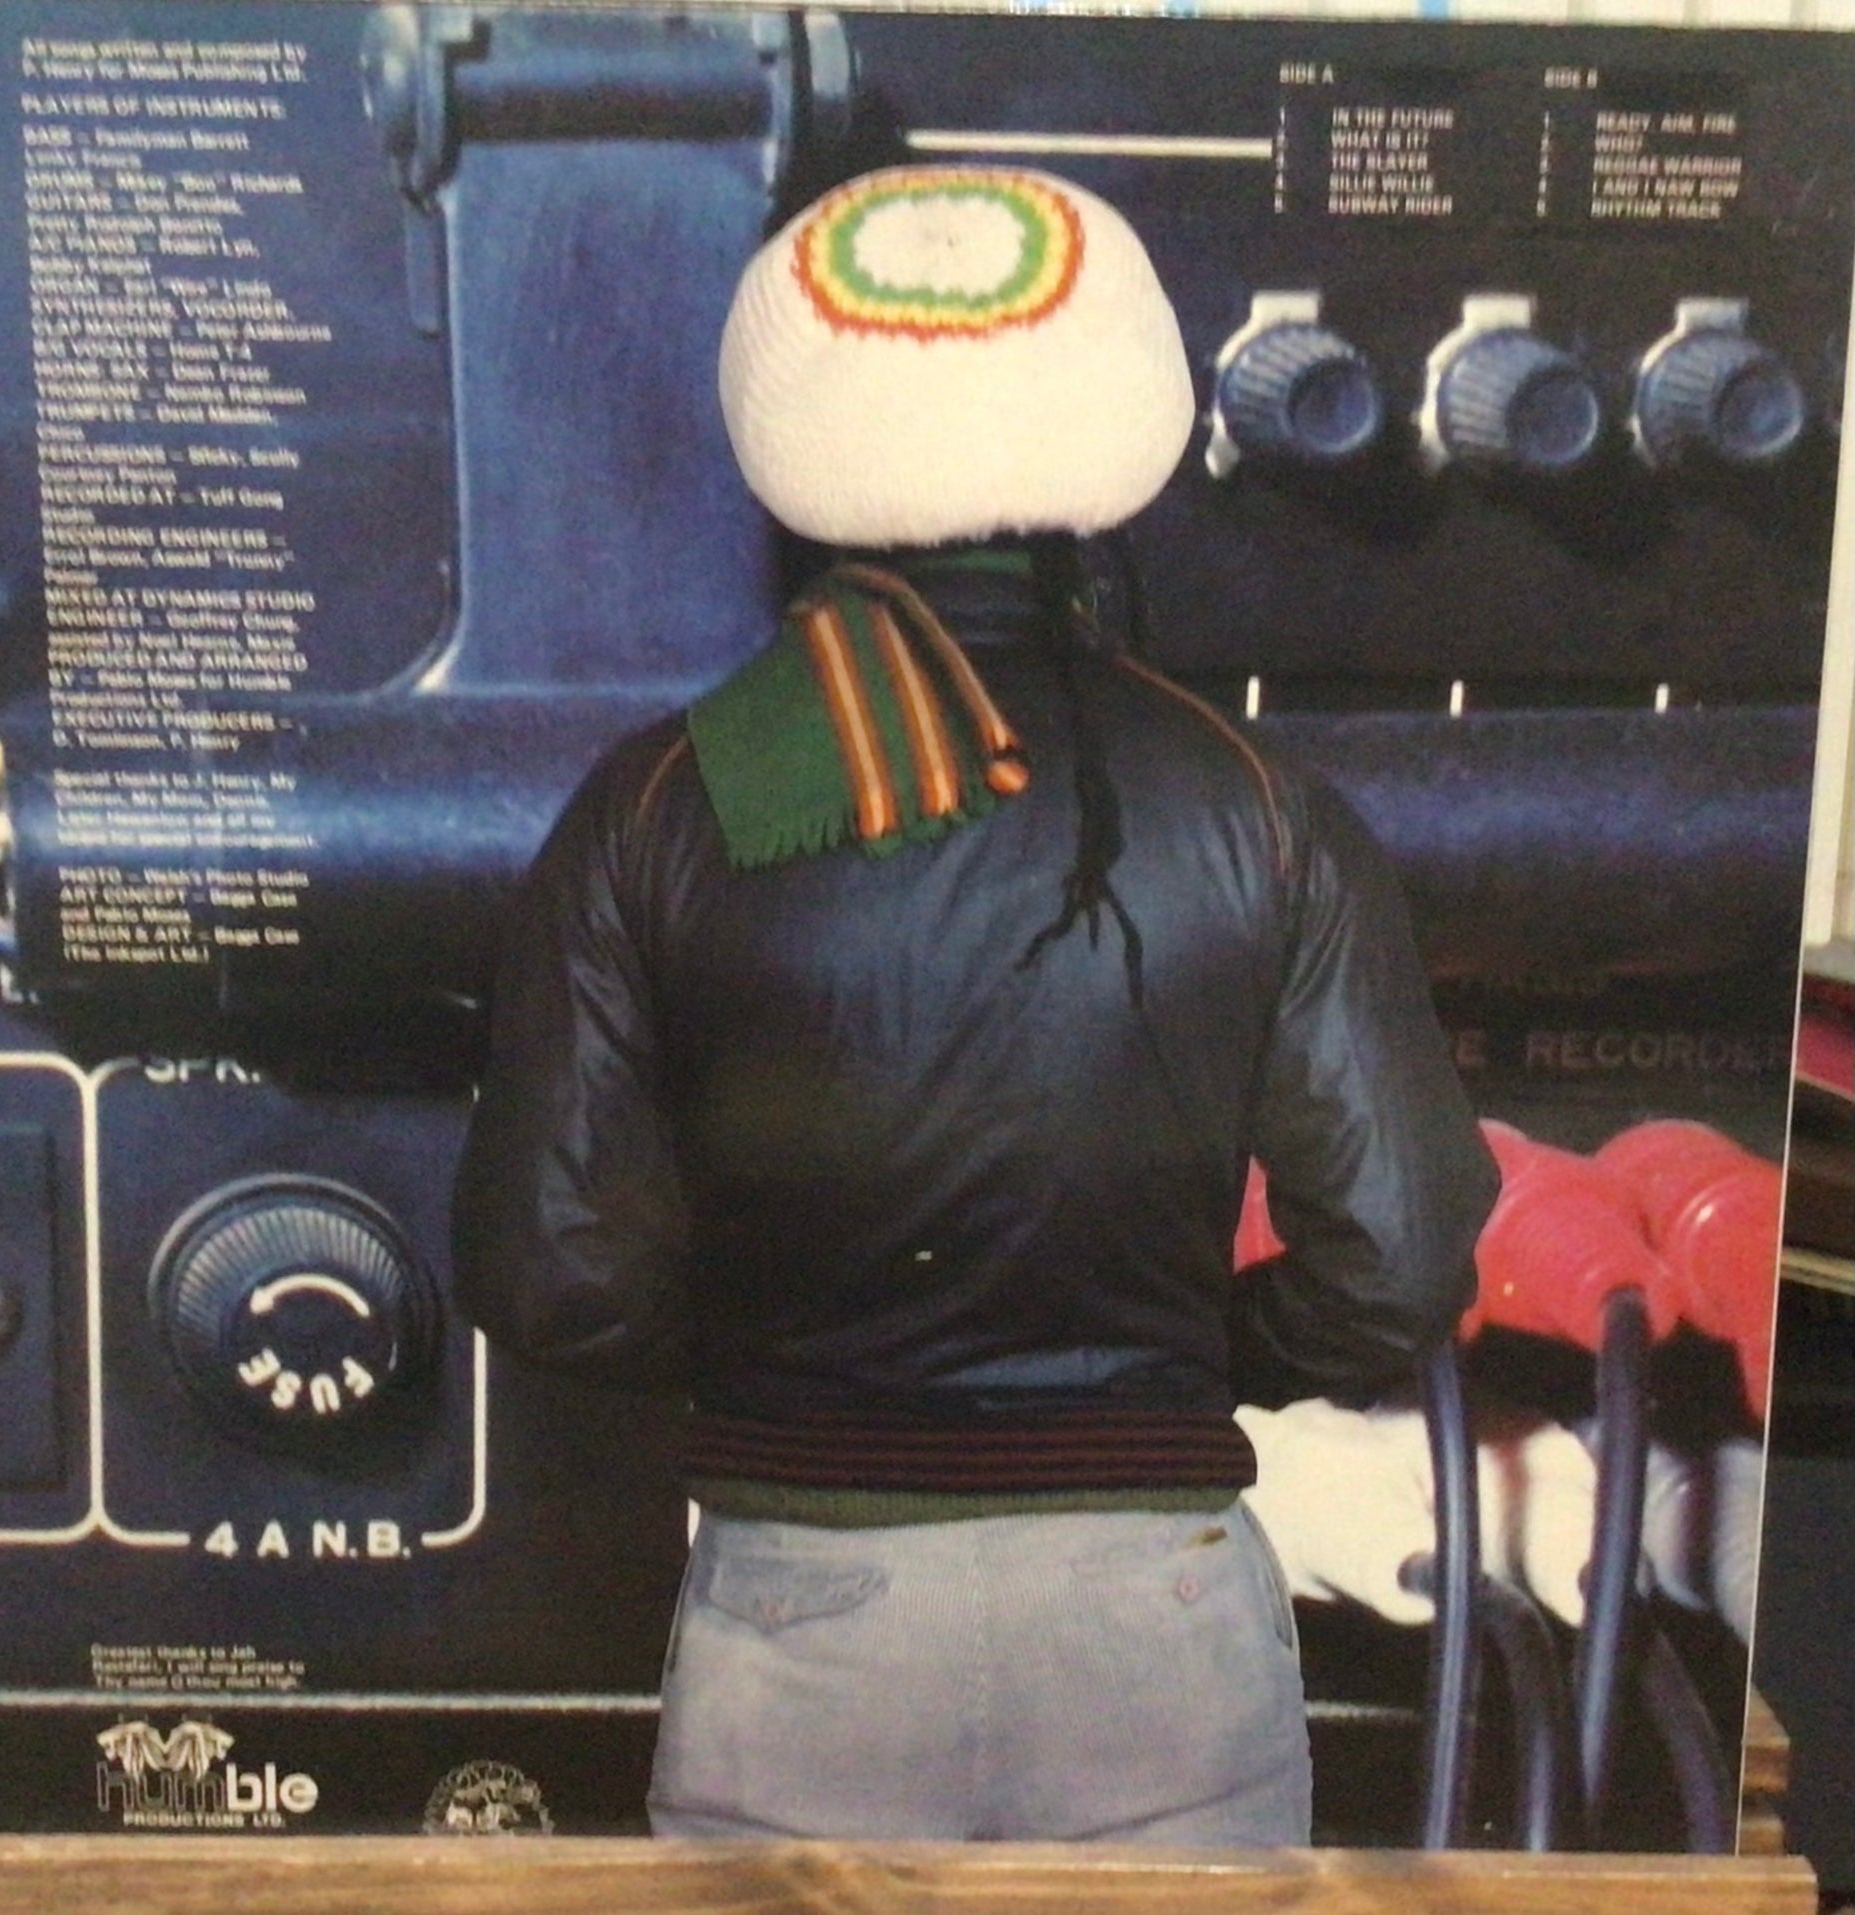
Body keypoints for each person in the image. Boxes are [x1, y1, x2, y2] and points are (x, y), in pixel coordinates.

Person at [452, 164, 1499, 1843]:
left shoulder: (655, 803)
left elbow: (549, 1269)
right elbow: (1401, 1256)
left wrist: (804, 1365)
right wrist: (1173, 1367)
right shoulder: (1262, 806)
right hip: (1162, 1614)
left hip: (803, 1609)